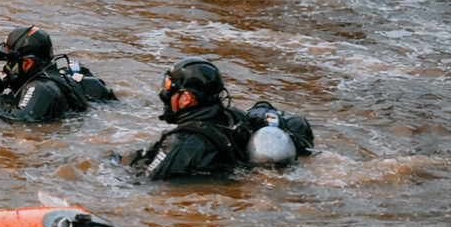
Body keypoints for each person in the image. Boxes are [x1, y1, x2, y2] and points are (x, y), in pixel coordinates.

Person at [119, 56, 313, 180]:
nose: (165, 95)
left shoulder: (181, 141)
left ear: (187, 98)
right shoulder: (233, 116)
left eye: (171, 89)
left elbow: (145, 182)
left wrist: (126, 161)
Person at [0, 26, 116, 122]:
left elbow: (20, 120)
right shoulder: (62, 69)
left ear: (27, 63)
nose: (7, 67)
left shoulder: (40, 88)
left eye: (11, 62)